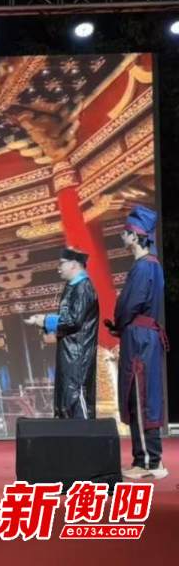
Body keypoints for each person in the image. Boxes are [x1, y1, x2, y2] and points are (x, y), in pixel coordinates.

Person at [105, 206, 169, 480]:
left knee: (140, 396)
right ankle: (145, 459)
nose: (122, 236)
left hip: (140, 339)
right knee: (141, 395)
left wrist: (120, 323)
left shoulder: (144, 266)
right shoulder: (150, 265)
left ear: (135, 236)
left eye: (125, 232)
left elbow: (130, 304)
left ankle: (148, 462)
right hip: (141, 336)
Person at [25, 247, 99, 419]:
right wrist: (44, 321)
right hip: (69, 352)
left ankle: (85, 435)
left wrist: (45, 320)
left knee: (76, 400)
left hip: (78, 354)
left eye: (61, 264)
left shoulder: (83, 287)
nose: (58, 268)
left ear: (74, 264)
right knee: (66, 400)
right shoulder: (72, 287)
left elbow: (73, 320)